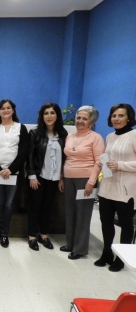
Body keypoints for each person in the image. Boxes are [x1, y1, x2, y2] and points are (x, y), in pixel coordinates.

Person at [59, 106, 104, 260]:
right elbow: (66, 158)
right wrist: (62, 178)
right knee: (70, 213)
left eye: (84, 119)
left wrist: (91, 182)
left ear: (91, 122)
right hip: (69, 178)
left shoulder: (96, 137)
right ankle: (70, 244)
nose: (80, 121)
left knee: (83, 215)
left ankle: (80, 249)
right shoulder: (70, 136)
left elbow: (99, 162)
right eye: (78, 118)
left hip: (85, 180)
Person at [95, 103, 136, 271]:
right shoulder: (110, 136)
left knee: (126, 225)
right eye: (114, 116)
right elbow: (108, 161)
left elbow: (120, 163)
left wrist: (120, 165)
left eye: (120, 115)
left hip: (126, 190)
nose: (117, 119)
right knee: (105, 222)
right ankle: (106, 253)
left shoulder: (134, 135)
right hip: (107, 187)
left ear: (129, 118)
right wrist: (103, 163)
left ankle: (120, 258)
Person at [0, 99, 29, 248]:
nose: (6, 110)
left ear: (13, 110)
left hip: (13, 174)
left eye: (8, 108)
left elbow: (23, 151)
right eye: (2, 108)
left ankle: (4, 234)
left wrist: (11, 169)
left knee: (9, 205)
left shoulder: (21, 128)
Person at [26, 103, 67, 251]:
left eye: (52, 113)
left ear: (57, 116)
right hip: (38, 177)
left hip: (54, 178)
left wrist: (61, 178)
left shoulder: (63, 135)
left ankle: (43, 234)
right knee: (34, 207)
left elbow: (65, 157)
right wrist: (32, 175)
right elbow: (30, 155)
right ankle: (31, 235)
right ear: (42, 116)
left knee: (47, 207)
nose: (49, 116)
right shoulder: (35, 133)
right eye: (46, 113)